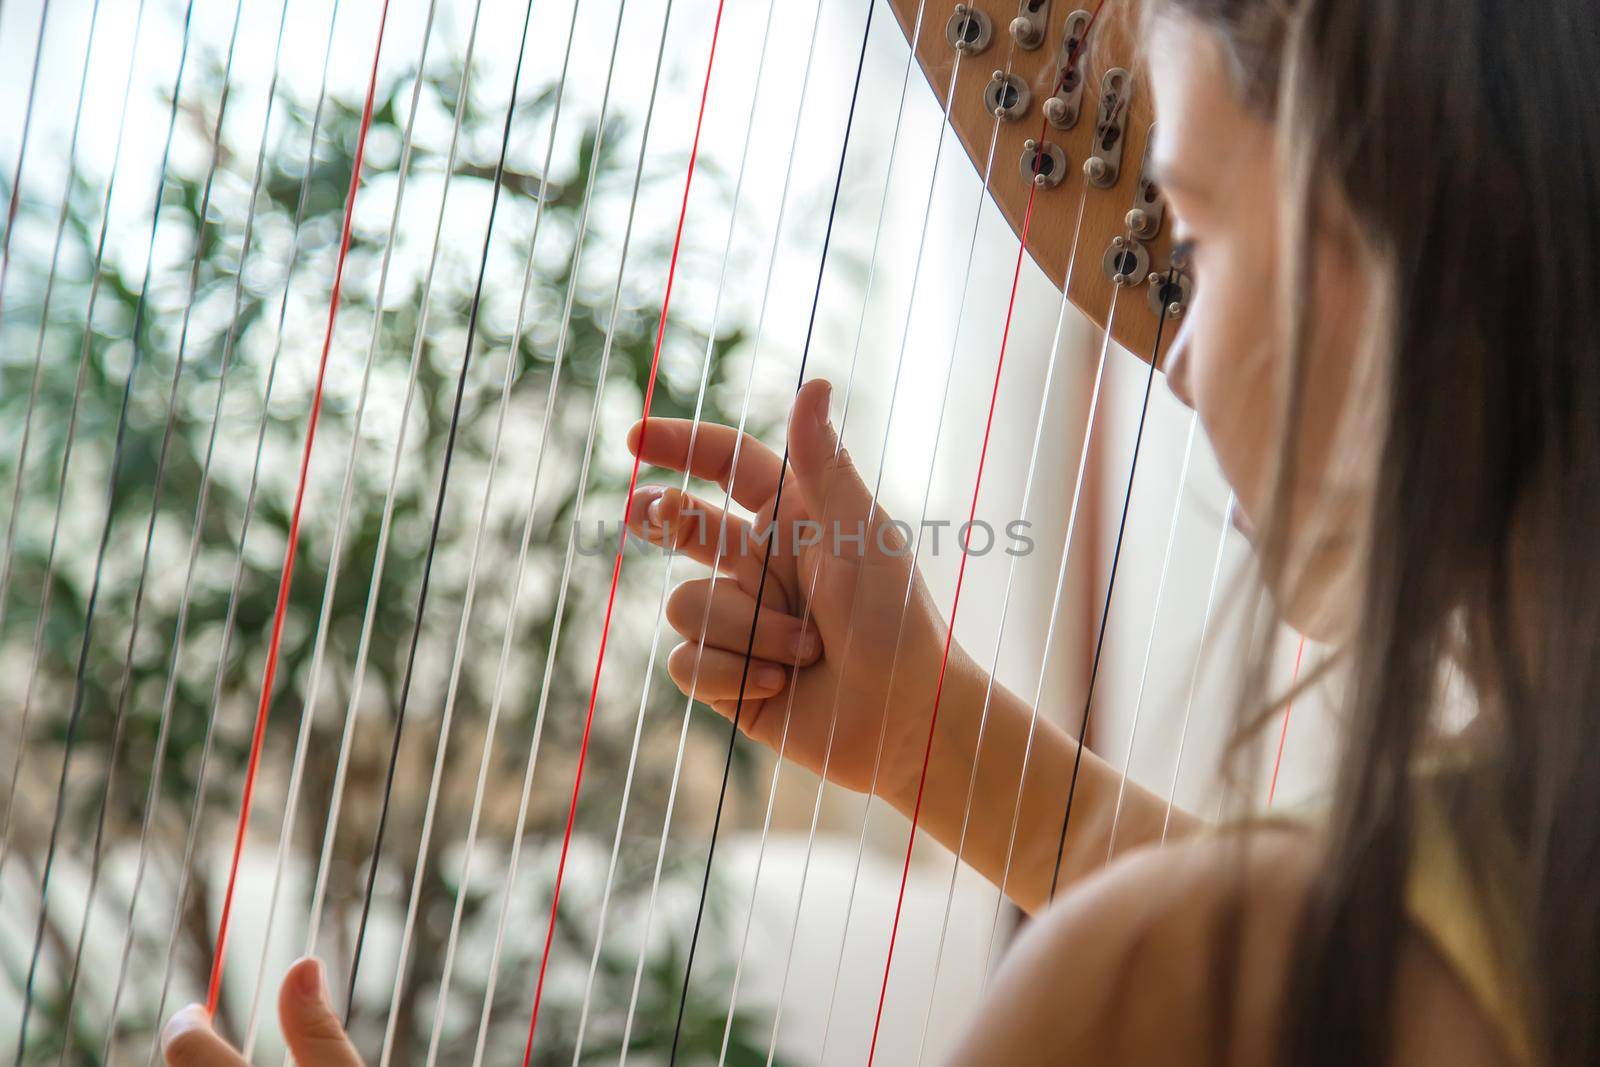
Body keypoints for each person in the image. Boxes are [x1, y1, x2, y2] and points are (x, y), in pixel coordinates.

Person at [165, 0, 1598, 1062]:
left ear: (1416, 260)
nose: (1172, 338)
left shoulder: (1164, 979)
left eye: (1201, 239)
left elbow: (1258, 965)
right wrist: (930, 739)